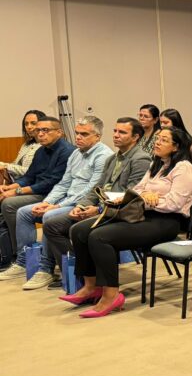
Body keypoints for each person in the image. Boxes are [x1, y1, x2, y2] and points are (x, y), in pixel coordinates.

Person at [62, 127, 192, 317]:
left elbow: (174, 204)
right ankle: (91, 286)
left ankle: (111, 295)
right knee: (79, 230)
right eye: (157, 138)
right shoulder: (157, 164)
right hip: (142, 214)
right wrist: (145, 196)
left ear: (176, 147)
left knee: (99, 237)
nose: (157, 142)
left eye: (164, 140)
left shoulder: (184, 168)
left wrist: (148, 199)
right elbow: (137, 190)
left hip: (167, 222)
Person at [0, 116, 113, 287]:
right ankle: (23, 261)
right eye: (77, 133)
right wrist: (47, 202)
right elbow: (63, 183)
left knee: (49, 216)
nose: (78, 137)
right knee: (24, 212)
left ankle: (46, 269)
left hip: (85, 205)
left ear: (97, 136)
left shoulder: (103, 156)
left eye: (84, 134)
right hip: (66, 199)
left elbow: (91, 190)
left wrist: (56, 206)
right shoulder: (76, 153)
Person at [40, 117, 150, 291]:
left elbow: (130, 196)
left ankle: (87, 279)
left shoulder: (140, 159)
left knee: (79, 230)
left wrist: (98, 209)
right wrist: (81, 205)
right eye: (115, 131)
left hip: (120, 213)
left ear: (135, 137)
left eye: (122, 132)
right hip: (101, 208)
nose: (116, 135)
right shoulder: (113, 158)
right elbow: (96, 188)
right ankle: (77, 276)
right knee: (52, 225)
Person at [0, 116, 73, 269]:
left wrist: (17, 191)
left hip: (53, 194)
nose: (40, 134)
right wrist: (11, 187)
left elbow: (52, 183)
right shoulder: (40, 151)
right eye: (38, 130)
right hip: (39, 191)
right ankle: (13, 253)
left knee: (9, 204)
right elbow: (29, 176)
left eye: (45, 130)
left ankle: (21, 256)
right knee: (5, 198)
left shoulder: (67, 151)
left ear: (59, 132)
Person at [0, 110, 43, 179]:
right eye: (26, 124)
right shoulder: (26, 145)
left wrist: (6, 166)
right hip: (18, 180)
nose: (29, 127)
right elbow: (15, 164)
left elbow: (32, 171)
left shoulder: (46, 146)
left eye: (33, 123)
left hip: (33, 182)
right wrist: (3, 165)